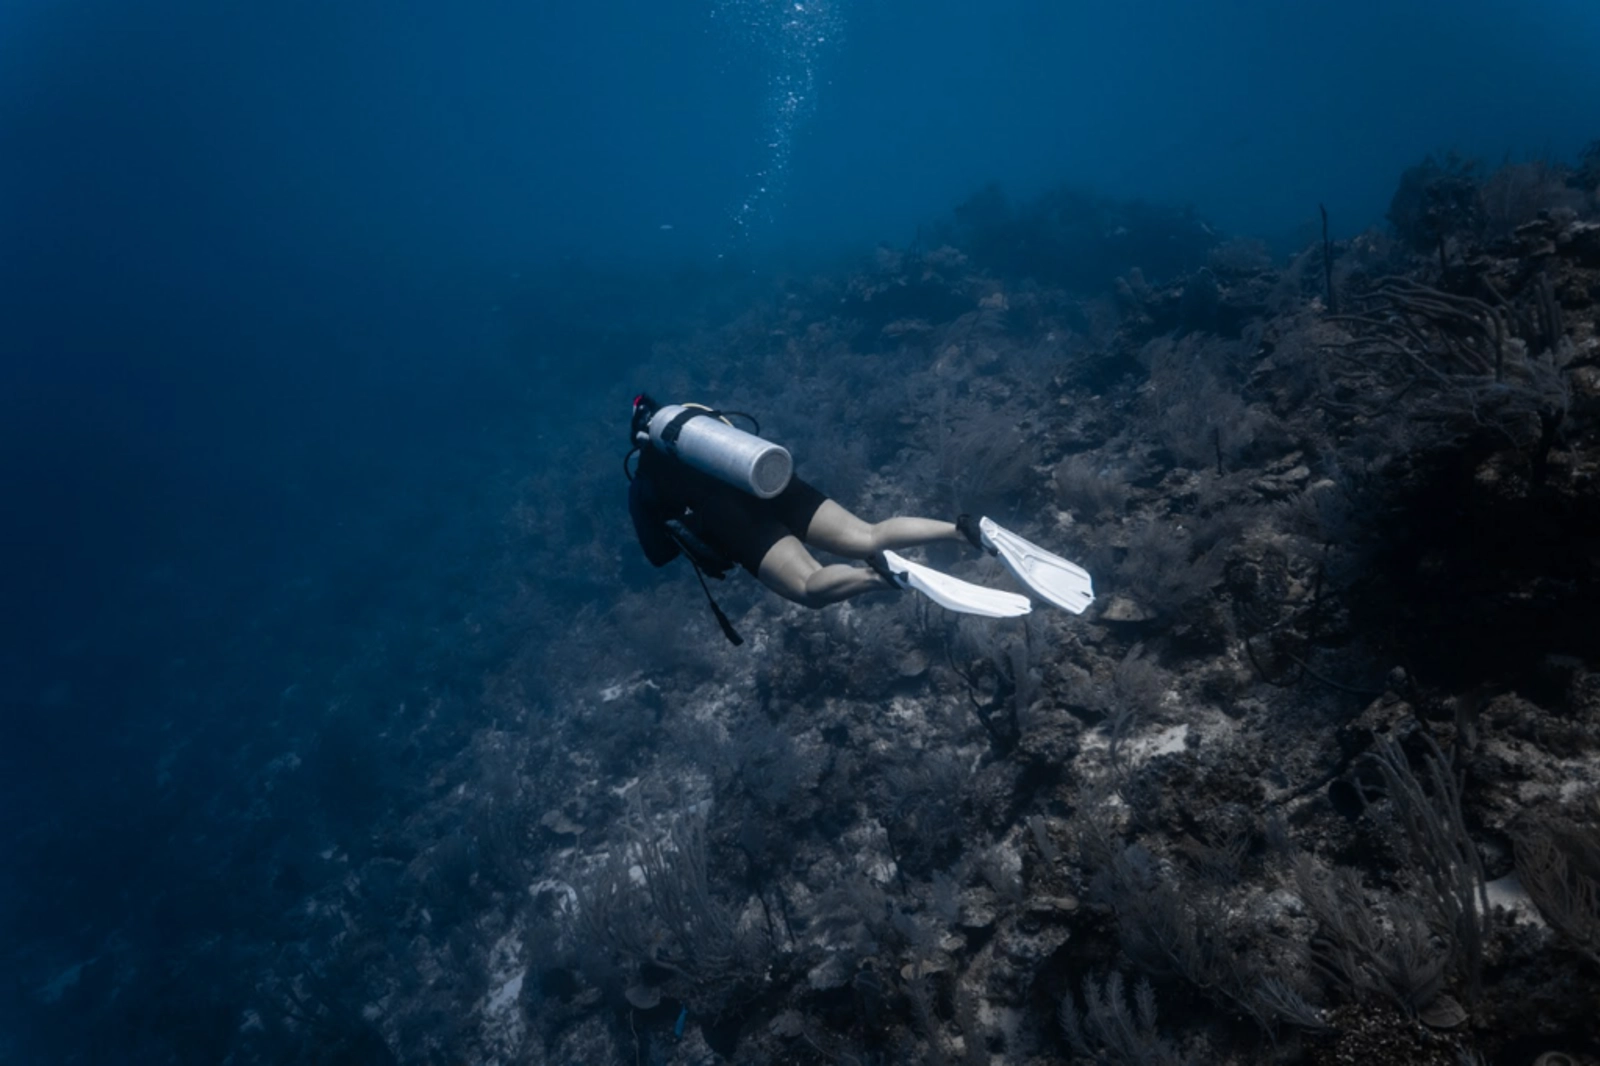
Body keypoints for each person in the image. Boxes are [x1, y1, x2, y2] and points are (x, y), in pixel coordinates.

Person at [626, 394, 983, 609]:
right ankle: (964, 529)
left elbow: (660, 555)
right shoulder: (698, 419)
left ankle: (884, 579)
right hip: (772, 485)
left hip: (738, 526)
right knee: (868, 535)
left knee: (809, 586)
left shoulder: (643, 480)